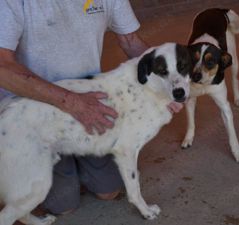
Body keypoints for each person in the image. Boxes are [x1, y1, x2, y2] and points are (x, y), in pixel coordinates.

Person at [0, 0, 183, 215]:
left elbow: (130, 40)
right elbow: (2, 66)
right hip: (37, 112)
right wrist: (71, 102)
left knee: (109, 191)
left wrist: (167, 81)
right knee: (63, 205)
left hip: (94, 104)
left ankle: (74, 160)